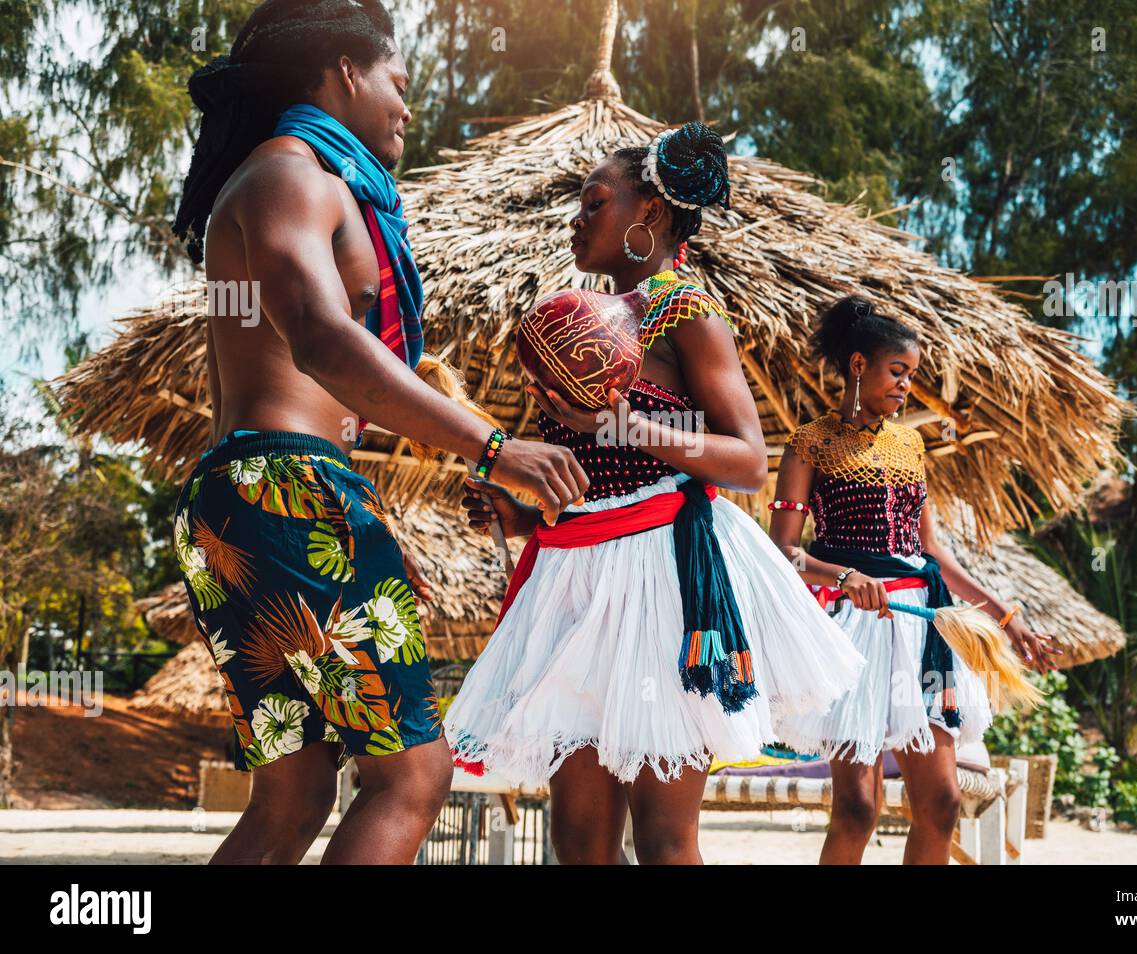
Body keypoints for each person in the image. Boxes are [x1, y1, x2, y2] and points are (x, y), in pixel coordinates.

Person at [169, 0, 586, 865]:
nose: (407, 107)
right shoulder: (292, 175)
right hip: (288, 487)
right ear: (346, 73)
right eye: (398, 82)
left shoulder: (284, 178)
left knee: (294, 794)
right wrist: (495, 448)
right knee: (411, 776)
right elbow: (323, 341)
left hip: (251, 499)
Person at [450, 122, 865, 864]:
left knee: (665, 840)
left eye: (595, 202)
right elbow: (584, 473)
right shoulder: (572, 327)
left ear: (650, 212)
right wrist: (515, 510)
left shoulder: (686, 310)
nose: (577, 220)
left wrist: (628, 424)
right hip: (574, 581)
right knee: (578, 840)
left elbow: (746, 461)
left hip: (661, 581)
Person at [769, 296, 1058, 864]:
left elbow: (932, 552)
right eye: (898, 372)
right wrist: (845, 576)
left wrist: (1007, 618)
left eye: (912, 376)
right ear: (858, 365)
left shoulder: (910, 445)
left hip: (926, 627)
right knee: (858, 807)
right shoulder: (809, 444)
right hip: (851, 627)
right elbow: (783, 552)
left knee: (942, 801)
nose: (906, 387)